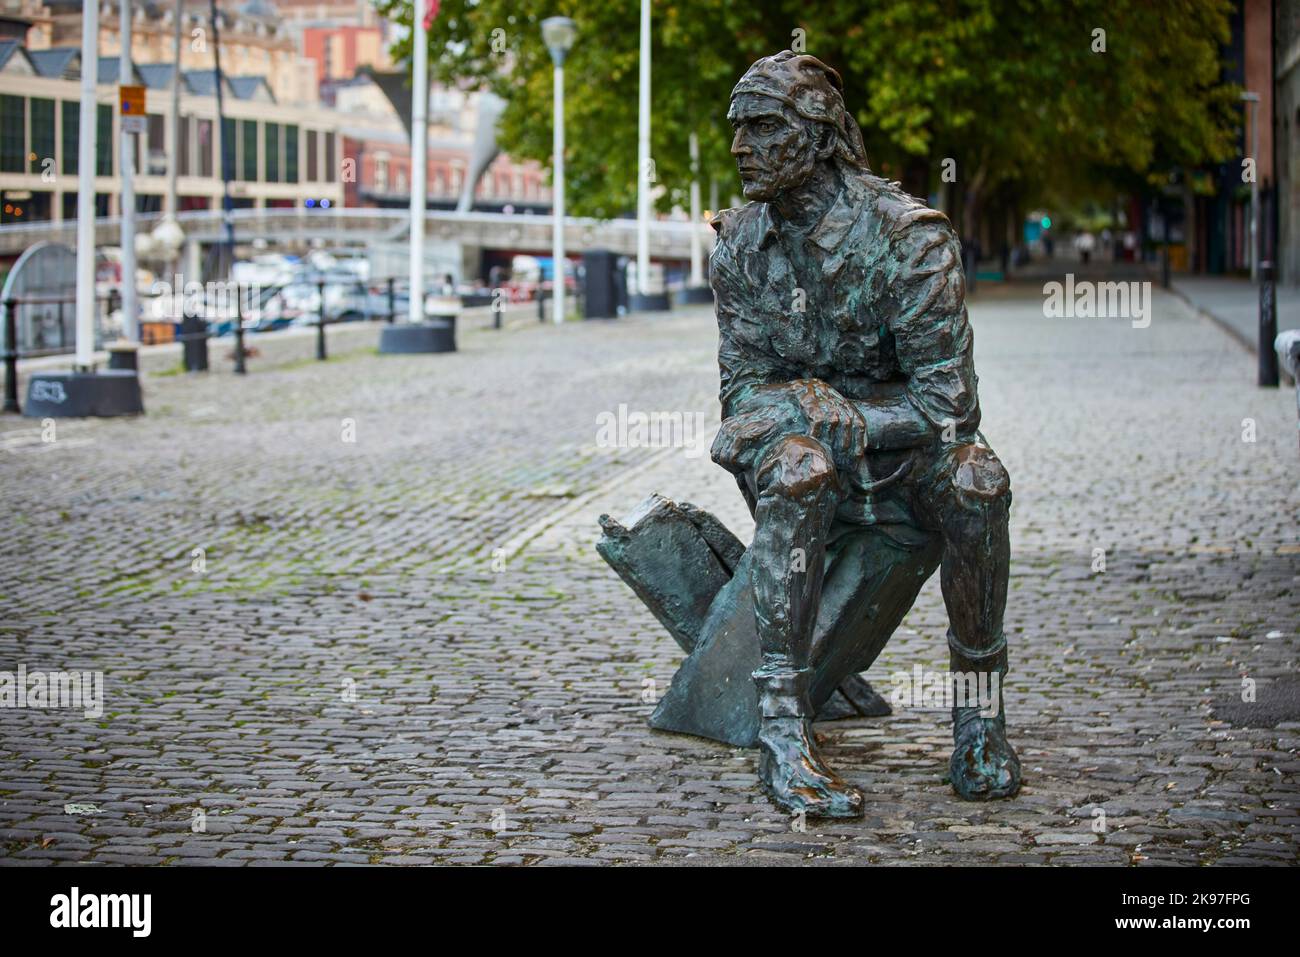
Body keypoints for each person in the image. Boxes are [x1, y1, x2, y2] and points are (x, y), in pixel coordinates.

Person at [709, 51, 1020, 817]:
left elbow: (949, 405)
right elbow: (742, 392)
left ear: (817, 137)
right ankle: (782, 734)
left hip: (903, 454)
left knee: (979, 482)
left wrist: (855, 419)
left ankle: (980, 717)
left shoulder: (908, 238)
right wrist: (799, 415)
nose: (741, 145)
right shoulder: (739, 243)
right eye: (737, 128)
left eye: (763, 125)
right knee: (799, 466)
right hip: (797, 449)